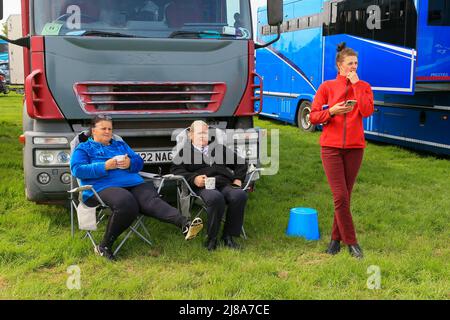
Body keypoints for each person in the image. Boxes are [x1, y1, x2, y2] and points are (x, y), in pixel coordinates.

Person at [70, 115, 203, 261]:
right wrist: (104, 166)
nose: (108, 131)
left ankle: (185, 225)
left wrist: (130, 163)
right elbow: (77, 170)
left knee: (152, 200)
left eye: (110, 129)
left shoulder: (119, 145)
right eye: (103, 128)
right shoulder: (84, 148)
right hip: (101, 186)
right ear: (93, 130)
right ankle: (104, 246)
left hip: (133, 182)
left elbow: (139, 161)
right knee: (126, 202)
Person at [309, 42, 374, 259]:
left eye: (356, 63)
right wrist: (332, 111)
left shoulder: (364, 86)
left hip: (355, 149)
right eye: (349, 64)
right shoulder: (327, 87)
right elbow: (313, 116)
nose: (353, 67)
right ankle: (352, 243)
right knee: (340, 196)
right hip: (330, 148)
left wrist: (357, 85)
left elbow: (366, 111)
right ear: (339, 66)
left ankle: (335, 241)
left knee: (345, 196)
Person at [170, 121, 248, 251]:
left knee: (239, 195)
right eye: (199, 133)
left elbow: (241, 163)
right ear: (191, 135)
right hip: (204, 186)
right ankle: (212, 238)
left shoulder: (218, 148)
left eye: (205, 133)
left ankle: (228, 236)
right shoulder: (185, 152)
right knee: (215, 198)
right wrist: (194, 179)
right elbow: (176, 170)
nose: (203, 136)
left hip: (224, 183)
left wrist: (238, 180)